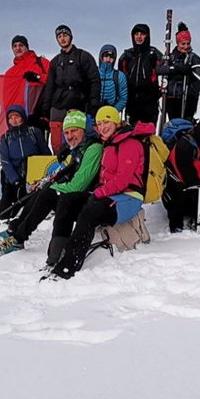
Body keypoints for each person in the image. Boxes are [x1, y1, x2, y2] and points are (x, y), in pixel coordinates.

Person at [0, 110, 103, 264]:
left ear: (84, 130)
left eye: (74, 130)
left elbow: (79, 185)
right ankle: (15, 231)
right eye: (66, 132)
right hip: (73, 197)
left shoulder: (93, 149)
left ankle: (18, 237)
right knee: (42, 192)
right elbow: (63, 172)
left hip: (86, 200)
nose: (70, 136)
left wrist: (52, 186)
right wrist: (44, 183)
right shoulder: (77, 150)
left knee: (48, 193)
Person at [50, 107, 153, 280]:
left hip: (129, 197)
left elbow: (123, 180)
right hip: (108, 195)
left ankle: (68, 266)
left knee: (91, 211)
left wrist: (98, 193)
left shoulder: (131, 144)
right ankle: (54, 256)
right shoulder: (109, 143)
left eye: (106, 121)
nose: (103, 126)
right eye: (99, 123)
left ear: (116, 121)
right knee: (67, 200)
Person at [38, 25, 100, 150]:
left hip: (77, 102)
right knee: (56, 140)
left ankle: (75, 161)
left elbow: (95, 80)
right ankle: (58, 160)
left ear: (70, 37)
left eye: (65, 35)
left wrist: (93, 104)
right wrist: (46, 106)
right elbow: (50, 84)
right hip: (58, 103)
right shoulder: (55, 61)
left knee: (75, 136)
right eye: (59, 37)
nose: (62, 39)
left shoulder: (83, 56)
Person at [0, 104, 51, 221]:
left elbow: (45, 153)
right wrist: (15, 180)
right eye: (10, 118)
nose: (14, 120)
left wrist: (44, 176)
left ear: (23, 117)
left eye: (17, 116)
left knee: (30, 210)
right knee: (4, 215)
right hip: (14, 181)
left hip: (33, 180)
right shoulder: (6, 137)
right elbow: (5, 161)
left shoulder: (34, 132)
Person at [119, 23, 163, 126]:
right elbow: (120, 78)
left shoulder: (154, 54)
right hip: (131, 103)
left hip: (149, 104)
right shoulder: (126, 56)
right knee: (131, 137)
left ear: (147, 36)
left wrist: (158, 93)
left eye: (142, 34)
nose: (139, 37)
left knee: (148, 137)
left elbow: (166, 73)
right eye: (136, 34)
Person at [157, 22, 200, 122]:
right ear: (178, 43)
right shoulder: (169, 57)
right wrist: (176, 69)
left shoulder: (193, 58)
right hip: (172, 97)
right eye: (183, 44)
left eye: (188, 43)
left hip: (188, 97)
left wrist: (191, 72)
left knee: (186, 122)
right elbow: (159, 69)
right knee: (174, 123)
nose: (186, 46)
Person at [4, 34, 51, 114]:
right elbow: (6, 98)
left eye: (21, 45)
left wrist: (37, 77)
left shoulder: (42, 62)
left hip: (40, 113)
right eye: (15, 46)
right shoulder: (10, 72)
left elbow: (54, 80)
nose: (18, 48)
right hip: (18, 116)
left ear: (27, 47)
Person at [97, 44, 128, 114]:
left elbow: (123, 98)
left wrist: (113, 112)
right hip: (94, 111)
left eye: (111, 57)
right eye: (105, 56)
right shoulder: (93, 73)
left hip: (112, 111)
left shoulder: (119, 76)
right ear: (101, 57)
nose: (108, 59)